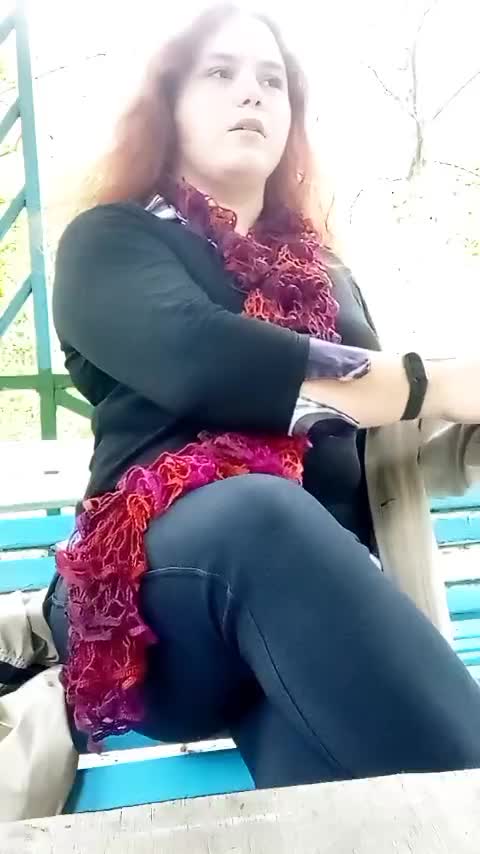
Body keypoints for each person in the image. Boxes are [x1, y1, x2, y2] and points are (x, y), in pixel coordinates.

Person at [43, 2, 480, 790]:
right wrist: (433, 382)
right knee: (260, 514)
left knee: (351, 802)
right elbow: (205, 359)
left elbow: (372, 435)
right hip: (155, 613)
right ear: (168, 103)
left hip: (302, 612)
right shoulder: (109, 243)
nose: (252, 92)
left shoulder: (329, 279)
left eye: (272, 80)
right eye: (221, 72)